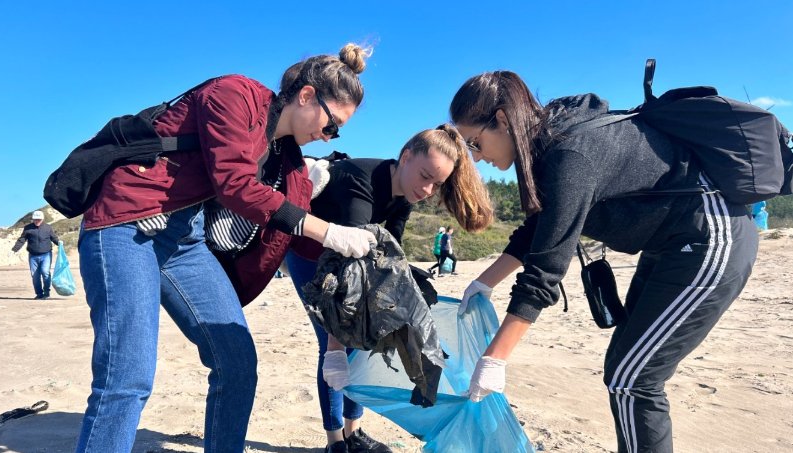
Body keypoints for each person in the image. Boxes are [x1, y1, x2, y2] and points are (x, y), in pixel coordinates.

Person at [74, 44, 378, 453]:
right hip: (127, 222)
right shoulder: (234, 93)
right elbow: (234, 184)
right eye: (332, 125)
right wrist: (330, 231)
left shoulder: (287, 160)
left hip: (185, 239)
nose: (328, 136)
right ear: (307, 96)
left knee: (237, 364)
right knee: (126, 377)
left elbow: (289, 229)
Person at [451, 71, 758, 453]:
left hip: (711, 237)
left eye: (475, 143)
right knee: (624, 367)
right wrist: (483, 282)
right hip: (668, 246)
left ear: (501, 119)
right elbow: (540, 228)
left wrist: (495, 359)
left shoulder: (569, 153)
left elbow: (546, 269)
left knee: (634, 378)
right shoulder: (549, 145)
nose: (477, 158)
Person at [287, 124, 493, 453]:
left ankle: (354, 433)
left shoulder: (407, 193)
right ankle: (335, 441)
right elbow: (344, 276)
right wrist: (337, 348)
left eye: (436, 184)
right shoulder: (362, 182)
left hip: (348, 257)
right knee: (335, 348)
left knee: (365, 341)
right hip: (310, 255)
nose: (427, 190)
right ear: (406, 156)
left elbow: (392, 254)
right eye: (425, 176)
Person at [11, 210, 59, 300]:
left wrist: (60, 244)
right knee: (35, 276)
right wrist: (15, 249)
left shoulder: (48, 228)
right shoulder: (28, 228)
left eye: (39, 219)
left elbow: (54, 238)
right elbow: (22, 239)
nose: (37, 221)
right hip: (33, 256)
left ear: (42, 219)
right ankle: (39, 294)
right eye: (35, 219)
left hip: (46, 254)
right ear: (33, 219)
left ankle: (46, 293)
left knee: (45, 272)